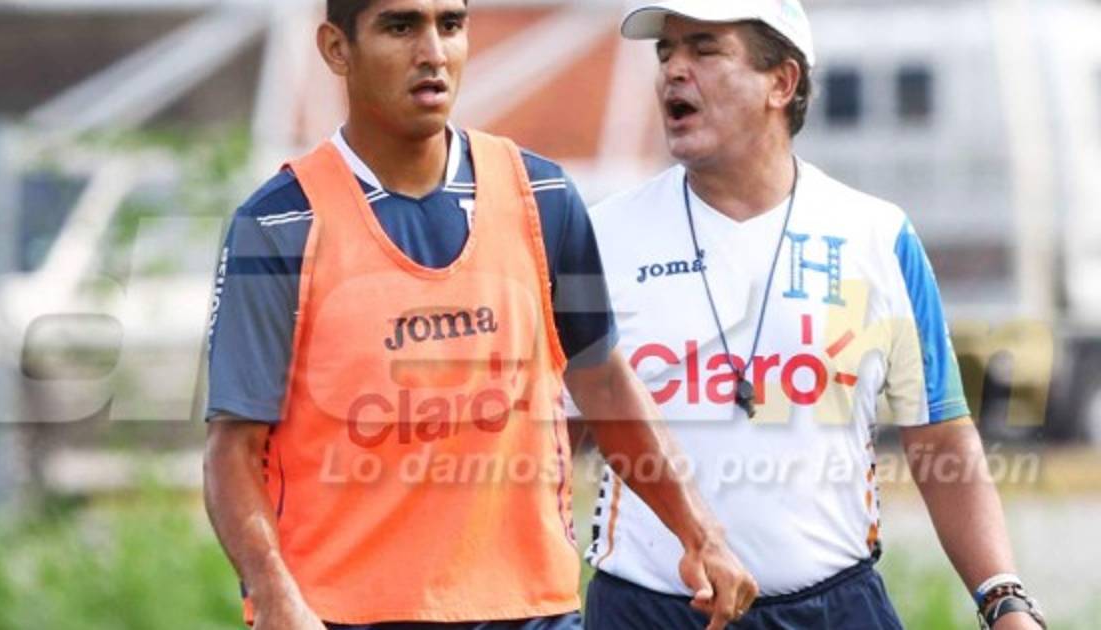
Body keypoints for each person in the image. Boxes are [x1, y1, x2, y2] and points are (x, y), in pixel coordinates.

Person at [201, 1, 757, 629]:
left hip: (534, 612)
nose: (433, 53)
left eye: (450, 25)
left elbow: (602, 382)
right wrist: (273, 592)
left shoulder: (544, 198)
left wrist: (700, 534)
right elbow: (233, 450)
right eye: (400, 27)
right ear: (336, 48)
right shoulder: (278, 224)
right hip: (343, 616)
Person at [582, 1, 1046, 629]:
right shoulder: (599, 236)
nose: (673, 70)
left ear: (782, 82)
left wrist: (1003, 598)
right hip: (646, 611)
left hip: (836, 607)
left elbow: (938, 433)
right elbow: (547, 441)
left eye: (704, 49)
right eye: (666, 52)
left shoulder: (876, 235)